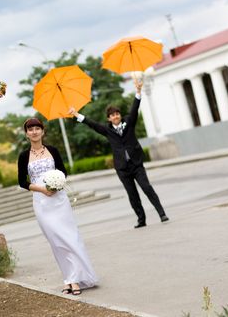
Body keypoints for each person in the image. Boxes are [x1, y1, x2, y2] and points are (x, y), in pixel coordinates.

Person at [68, 79, 169, 229]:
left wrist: (138, 91)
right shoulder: (107, 131)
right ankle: (141, 219)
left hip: (136, 164)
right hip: (122, 168)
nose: (115, 116)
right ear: (109, 118)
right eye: (112, 115)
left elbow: (134, 109)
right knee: (132, 195)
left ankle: (161, 213)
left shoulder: (129, 123)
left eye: (117, 114)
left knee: (146, 187)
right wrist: (76, 114)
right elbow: (92, 124)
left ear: (119, 115)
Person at [18, 117, 98, 295]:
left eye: (37, 128)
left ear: (42, 131)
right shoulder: (24, 156)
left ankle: (74, 279)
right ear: (26, 134)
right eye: (30, 129)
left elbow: (63, 171)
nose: (34, 132)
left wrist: (56, 184)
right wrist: (42, 189)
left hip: (59, 200)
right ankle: (69, 278)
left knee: (70, 237)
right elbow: (22, 182)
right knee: (56, 241)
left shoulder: (53, 150)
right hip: (41, 203)